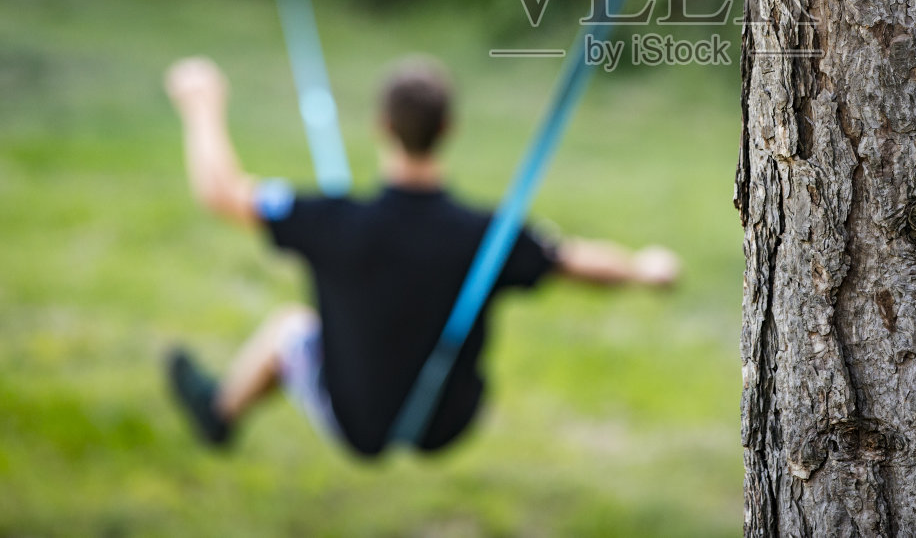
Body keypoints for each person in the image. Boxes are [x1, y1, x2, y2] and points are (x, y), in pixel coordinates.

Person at [161, 55, 681, 458]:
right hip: (448, 423)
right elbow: (575, 261)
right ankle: (220, 410)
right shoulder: (486, 238)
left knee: (291, 327)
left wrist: (201, 103)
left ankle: (221, 411)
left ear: (382, 126)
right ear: (449, 128)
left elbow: (221, 191)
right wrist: (643, 269)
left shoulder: (334, 223)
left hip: (356, 425)